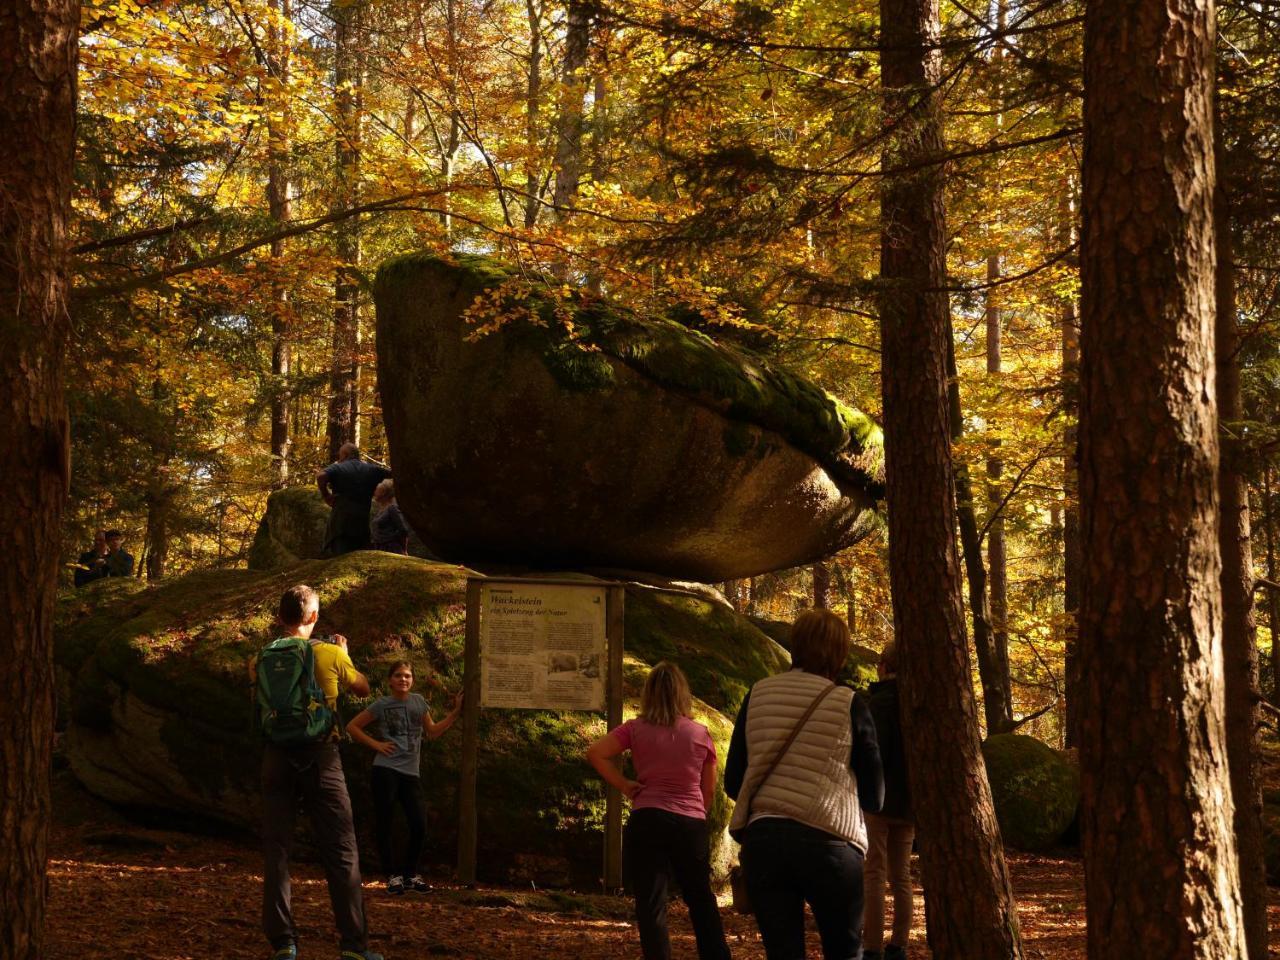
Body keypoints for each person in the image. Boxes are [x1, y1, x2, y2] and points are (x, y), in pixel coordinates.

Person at [725, 608, 883, 960]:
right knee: (845, 952)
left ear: (795, 645)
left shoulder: (758, 694)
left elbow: (734, 780)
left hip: (765, 843)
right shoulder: (850, 703)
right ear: (839, 653)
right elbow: (875, 796)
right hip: (830, 845)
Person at [258, 584, 382, 960]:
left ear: (281, 618)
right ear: (312, 617)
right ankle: (353, 945)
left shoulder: (263, 656)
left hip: (275, 757)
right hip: (321, 756)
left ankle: (283, 943)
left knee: (277, 850)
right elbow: (362, 688)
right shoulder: (329, 653)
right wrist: (345, 655)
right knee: (341, 848)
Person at [585, 662, 732, 960]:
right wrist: (697, 818)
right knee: (700, 899)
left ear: (649, 693)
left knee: (651, 902)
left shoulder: (634, 729)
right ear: (682, 694)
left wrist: (625, 784)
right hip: (689, 822)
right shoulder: (700, 734)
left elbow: (595, 752)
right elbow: (708, 790)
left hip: (648, 818)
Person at [346, 661, 463, 894]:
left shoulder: (419, 702)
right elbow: (352, 726)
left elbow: (432, 732)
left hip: (411, 772)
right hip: (385, 770)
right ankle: (392, 875)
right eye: (398, 675)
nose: (403, 679)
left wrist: (456, 712)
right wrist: (377, 745)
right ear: (390, 680)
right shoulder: (382, 704)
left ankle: (410, 874)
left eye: (408, 676)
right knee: (385, 822)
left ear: (413, 681)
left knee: (419, 824)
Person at [861, 642, 914, 960]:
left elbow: (873, 753)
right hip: (908, 802)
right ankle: (899, 944)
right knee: (901, 874)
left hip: (880, 801)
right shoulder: (918, 701)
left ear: (884, 665)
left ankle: (871, 947)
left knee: (875, 873)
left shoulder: (879, 703)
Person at [317, 443, 391, 555]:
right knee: (360, 557)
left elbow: (321, 476)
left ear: (345, 455)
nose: (339, 458)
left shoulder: (338, 467)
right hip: (362, 524)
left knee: (340, 559)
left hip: (341, 525)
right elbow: (393, 474)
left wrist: (326, 495)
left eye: (340, 455)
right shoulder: (372, 469)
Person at [369, 480, 412, 555]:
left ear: (384, 493)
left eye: (377, 490)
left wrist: (404, 550)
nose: (374, 493)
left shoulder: (392, 508)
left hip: (391, 548)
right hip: (379, 547)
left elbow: (403, 530)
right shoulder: (381, 508)